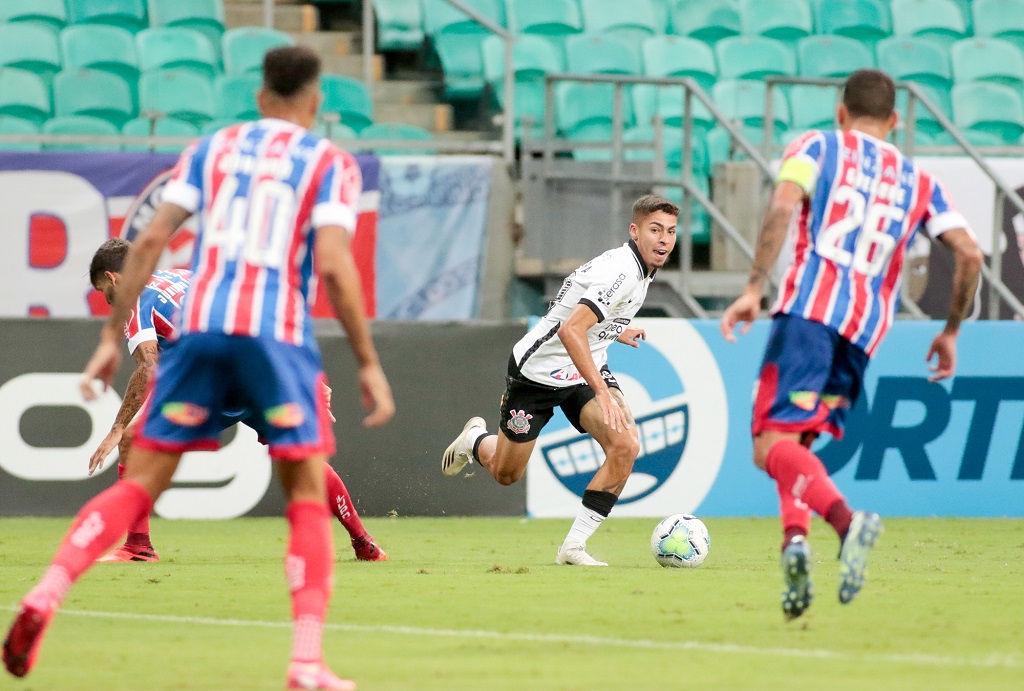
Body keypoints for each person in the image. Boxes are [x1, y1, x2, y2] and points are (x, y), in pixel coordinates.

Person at [4, 46, 395, 691]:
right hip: (275, 334)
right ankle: (305, 662)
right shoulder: (330, 162)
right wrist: (367, 361)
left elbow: (149, 240)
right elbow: (332, 264)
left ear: (261, 97)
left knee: (138, 477)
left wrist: (110, 335)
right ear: (316, 100)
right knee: (302, 486)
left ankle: (49, 590)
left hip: (204, 333)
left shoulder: (213, 149)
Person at [719, 69, 983, 621]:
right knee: (799, 446)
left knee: (768, 447)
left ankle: (845, 523)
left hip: (809, 314)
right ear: (895, 121)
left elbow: (784, 204)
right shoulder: (921, 182)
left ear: (841, 112)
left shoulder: (816, 145)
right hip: (864, 333)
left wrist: (752, 288)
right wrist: (952, 329)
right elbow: (971, 255)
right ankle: (796, 543)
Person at [86, 238, 388, 563]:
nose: (109, 300)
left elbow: (148, 366)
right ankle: (364, 543)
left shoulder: (136, 303)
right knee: (304, 462)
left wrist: (118, 426)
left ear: (114, 278)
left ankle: (138, 546)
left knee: (131, 439)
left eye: (105, 292)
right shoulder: (181, 277)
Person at [442, 194, 679, 566]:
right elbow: (570, 330)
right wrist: (602, 391)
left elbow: (570, 306)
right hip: (537, 373)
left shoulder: (640, 268)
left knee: (626, 445)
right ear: (635, 232)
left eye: (670, 231)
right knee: (506, 474)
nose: (664, 239)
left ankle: (572, 548)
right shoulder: (622, 272)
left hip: (583, 369)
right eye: (655, 230)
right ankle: (476, 442)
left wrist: (616, 329)